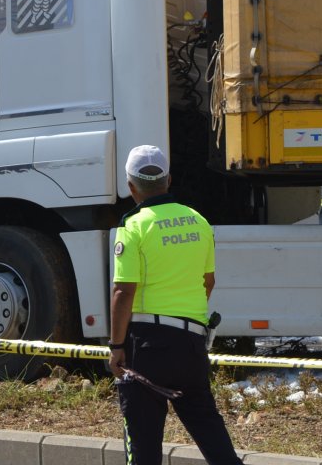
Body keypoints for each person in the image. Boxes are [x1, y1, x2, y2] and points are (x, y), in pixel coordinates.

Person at [108, 145, 241, 465]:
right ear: (168, 179)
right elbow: (208, 282)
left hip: (146, 348)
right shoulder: (198, 221)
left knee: (143, 450)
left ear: (130, 186)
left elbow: (123, 292)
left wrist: (115, 346)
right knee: (212, 437)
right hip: (192, 347)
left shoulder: (134, 227)